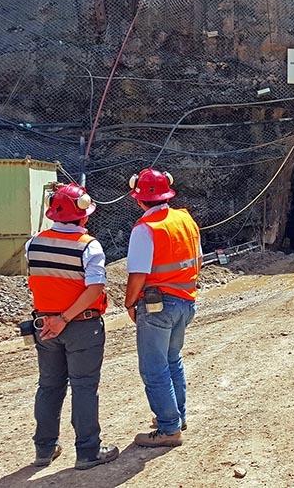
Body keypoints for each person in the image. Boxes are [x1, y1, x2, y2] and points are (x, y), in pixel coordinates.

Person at [25, 183, 119, 470]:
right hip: (80, 325)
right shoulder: (89, 246)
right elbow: (94, 289)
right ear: (83, 216)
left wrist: (54, 318)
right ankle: (88, 452)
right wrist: (65, 317)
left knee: (49, 386)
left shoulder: (33, 244)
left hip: (45, 327)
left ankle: (44, 449)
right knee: (84, 387)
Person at [124, 168, 202, 447]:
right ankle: (176, 416)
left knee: (154, 367)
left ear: (139, 199)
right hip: (186, 300)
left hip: (158, 305)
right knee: (172, 359)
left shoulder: (146, 229)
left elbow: (138, 274)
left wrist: (130, 302)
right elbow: (198, 260)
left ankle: (169, 428)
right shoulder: (185, 220)